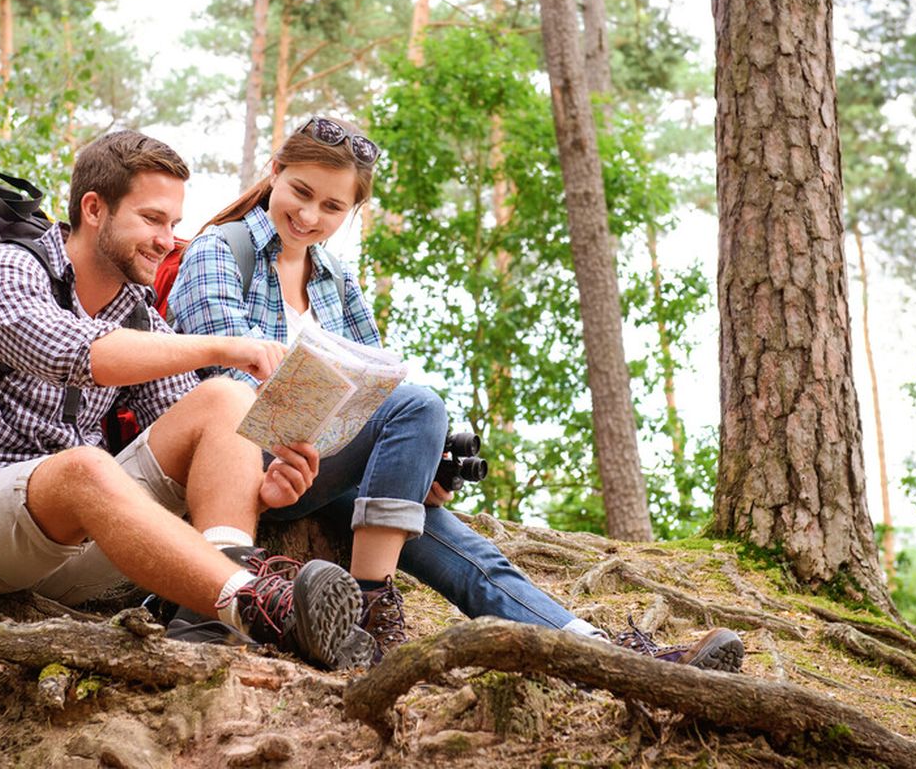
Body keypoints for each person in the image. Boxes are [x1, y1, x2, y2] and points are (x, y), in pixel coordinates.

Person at [169, 115, 745, 672]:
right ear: (275, 170)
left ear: (353, 211)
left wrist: (419, 464)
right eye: (300, 191)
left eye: (333, 206)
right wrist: (393, 434)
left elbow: (375, 384)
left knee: (462, 543)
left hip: (325, 469)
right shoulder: (220, 252)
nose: (310, 214)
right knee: (420, 405)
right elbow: (228, 391)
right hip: (247, 473)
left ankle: (599, 649)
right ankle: (371, 607)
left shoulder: (338, 281)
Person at [0, 129, 373, 671]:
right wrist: (223, 344)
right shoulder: (7, 270)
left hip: (80, 544)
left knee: (225, 398)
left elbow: (201, 437)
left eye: (174, 224)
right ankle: (258, 606)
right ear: (94, 209)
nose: (167, 240)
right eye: (153, 220)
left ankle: (210, 620)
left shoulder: (135, 311)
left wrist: (262, 490)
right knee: (83, 467)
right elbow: (74, 353)